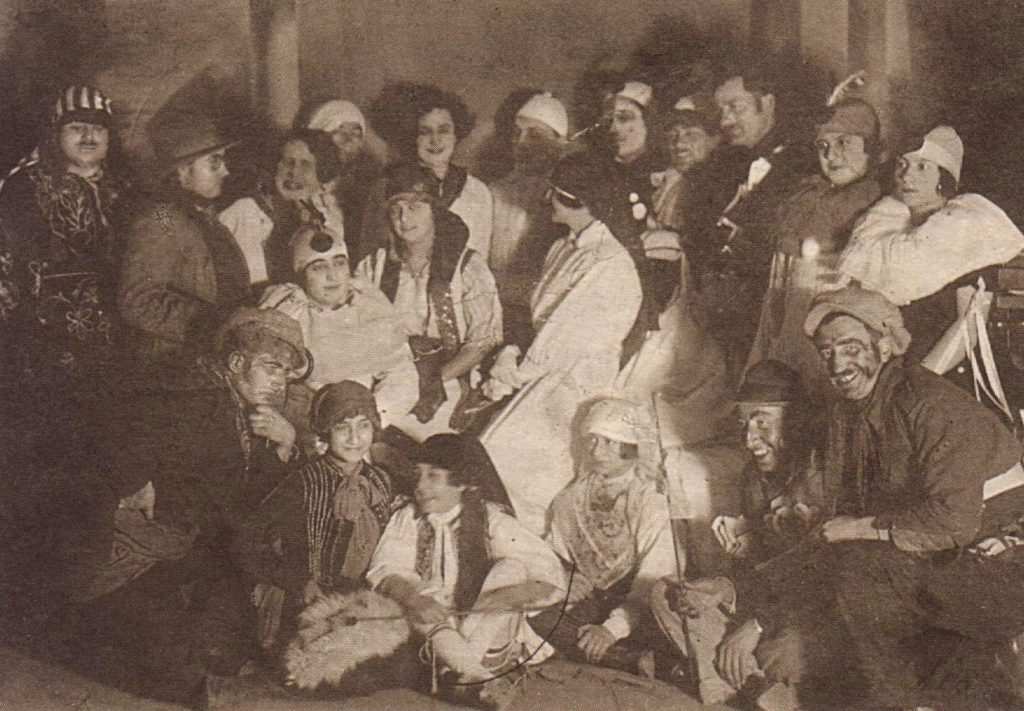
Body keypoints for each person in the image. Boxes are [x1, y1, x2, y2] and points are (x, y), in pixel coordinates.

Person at [57, 307, 312, 702]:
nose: (279, 382)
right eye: (271, 367)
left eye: (285, 373)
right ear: (236, 363)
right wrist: (134, 482)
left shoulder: (241, 407)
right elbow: (110, 434)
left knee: (221, 642)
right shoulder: (192, 394)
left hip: (183, 545)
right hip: (127, 556)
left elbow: (246, 502)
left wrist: (284, 445)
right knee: (175, 672)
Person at [804, 285, 1024, 710]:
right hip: (944, 550)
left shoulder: (931, 406)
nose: (837, 364)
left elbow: (951, 522)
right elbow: (834, 521)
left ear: (884, 346)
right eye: (826, 351)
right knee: (854, 567)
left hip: (1002, 552)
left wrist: (859, 528)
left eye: (850, 348)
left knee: (863, 572)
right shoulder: (852, 414)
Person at [651, 361, 840, 710]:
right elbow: (759, 568)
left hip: (815, 616)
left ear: (795, 421)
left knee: (779, 654)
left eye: (762, 422)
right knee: (668, 595)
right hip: (771, 607)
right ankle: (757, 689)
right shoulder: (753, 480)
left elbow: (832, 581)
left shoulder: (824, 476)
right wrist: (722, 587)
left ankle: (743, 684)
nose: (749, 439)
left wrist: (756, 626)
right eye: (744, 423)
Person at [479, 153, 642, 535]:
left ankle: (536, 542)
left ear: (579, 200)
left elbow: (563, 340)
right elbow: (537, 319)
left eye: (555, 193)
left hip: (576, 384)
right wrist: (510, 354)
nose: (546, 199)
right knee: (491, 444)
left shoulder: (609, 263)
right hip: (544, 370)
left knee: (506, 452)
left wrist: (508, 377)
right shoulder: (562, 248)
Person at [366, 433, 564, 709]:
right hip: (435, 630)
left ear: (463, 483)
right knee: (410, 597)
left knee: (513, 568)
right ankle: (478, 679)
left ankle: (461, 668)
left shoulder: (491, 519)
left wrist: (505, 596)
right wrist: (416, 600)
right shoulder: (408, 517)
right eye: (417, 475)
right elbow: (386, 569)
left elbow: (548, 575)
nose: (420, 486)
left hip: (486, 633)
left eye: (433, 476)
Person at [237, 380, 402, 652]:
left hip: (361, 599)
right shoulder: (304, 481)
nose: (355, 438)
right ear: (325, 432)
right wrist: (297, 581)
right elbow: (248, 541)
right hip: (305, 600)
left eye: (363, 426)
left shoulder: (381, 481)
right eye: (342, 428)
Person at [839, 126, 1024, 367]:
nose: (906, 176)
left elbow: (968, 327)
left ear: (943, 176)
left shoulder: (964, 229)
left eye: (922, 167)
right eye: (902, 164)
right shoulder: (879, 233)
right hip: (888, 366)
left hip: (943, 371)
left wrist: (921, 379)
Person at [746, 99, 884, 397]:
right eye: (823, 146)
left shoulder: (873, 202)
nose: (831, 155)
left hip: (832, 317)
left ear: (870, 148)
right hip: (790, 312)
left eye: (844, 142)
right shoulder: (807, 195)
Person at [356, 163, 502, 441]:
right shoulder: (374, 266)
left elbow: (483, 341)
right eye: (396, 209)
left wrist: (434, 378)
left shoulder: (467, 267)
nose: (404, 218)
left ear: (435, 210)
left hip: (450, 376)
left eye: (414, 208)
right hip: (389, 372)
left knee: (425, 437)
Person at [530, 398, 675, 676]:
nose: (598, 451)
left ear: (631, 445)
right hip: (588, 603)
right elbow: (551, 553)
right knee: (531, 611)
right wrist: (564, 576)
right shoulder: (570, 499)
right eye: (592, 440)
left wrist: (611, 629)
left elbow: (656, 574)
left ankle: (616, 652)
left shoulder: (650, 499)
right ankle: (627, 661)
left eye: (609, 441)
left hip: (637, 606)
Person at [0, 86, 130, 390]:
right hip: (45, 343)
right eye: (77, 128)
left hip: (121, 340)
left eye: (98, 129)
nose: (89, 137)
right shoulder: (24, 187)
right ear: (56, 135)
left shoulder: (128, 190)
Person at [697, 64, 816, 382]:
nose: (725, 121)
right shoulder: (727, 162)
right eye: (721, 111)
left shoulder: (800, 161)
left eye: (735, 107)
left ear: (768, 103)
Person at [119, 113, 251, 371]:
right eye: (214, 162)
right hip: (175, 366)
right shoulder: (162, 219)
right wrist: (209, 321)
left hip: (214, 359)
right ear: (181, 170)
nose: (226, 171)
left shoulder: (205, 219)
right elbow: (138, 299)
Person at [258, 222, 419, 426]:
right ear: (301, 274)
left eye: (339, 263)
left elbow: (403, 379)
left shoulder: (369, 305)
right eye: (318, 267)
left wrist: (367, 418)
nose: (332, 275)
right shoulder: (287, 310)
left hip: (367, 421)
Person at [590, 80, 681, 363]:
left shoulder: (670, 181)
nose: (614, 129)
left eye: (625, 118)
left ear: (651, 124)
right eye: (609, 120)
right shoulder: (599, 174)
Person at [362, 82, 493, 263]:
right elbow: (368, 258)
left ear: (456, 135)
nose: (435, 140)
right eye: (425, 132)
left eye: (444, 131)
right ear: (411, 137)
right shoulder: (385, 188)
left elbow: (480, 260)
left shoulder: (477, 191)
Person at [488, 91, 569, 348]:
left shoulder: (569, 200)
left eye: (534, 134)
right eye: (517, 133)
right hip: (493, 312)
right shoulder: (493, 193)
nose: (521, 142)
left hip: (543, 319)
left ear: (559, 143)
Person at [219, 129, 345, 289]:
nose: (294, 172)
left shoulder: (327, 219)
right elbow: (252, 287)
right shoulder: (245, 213)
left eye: (305, 165)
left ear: (321, 175)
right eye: (287, 162)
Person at [306, 98, 382, 243]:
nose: (348, 139)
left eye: (356, 134)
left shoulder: (366, 189)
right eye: (339, 131)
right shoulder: (305, 185)